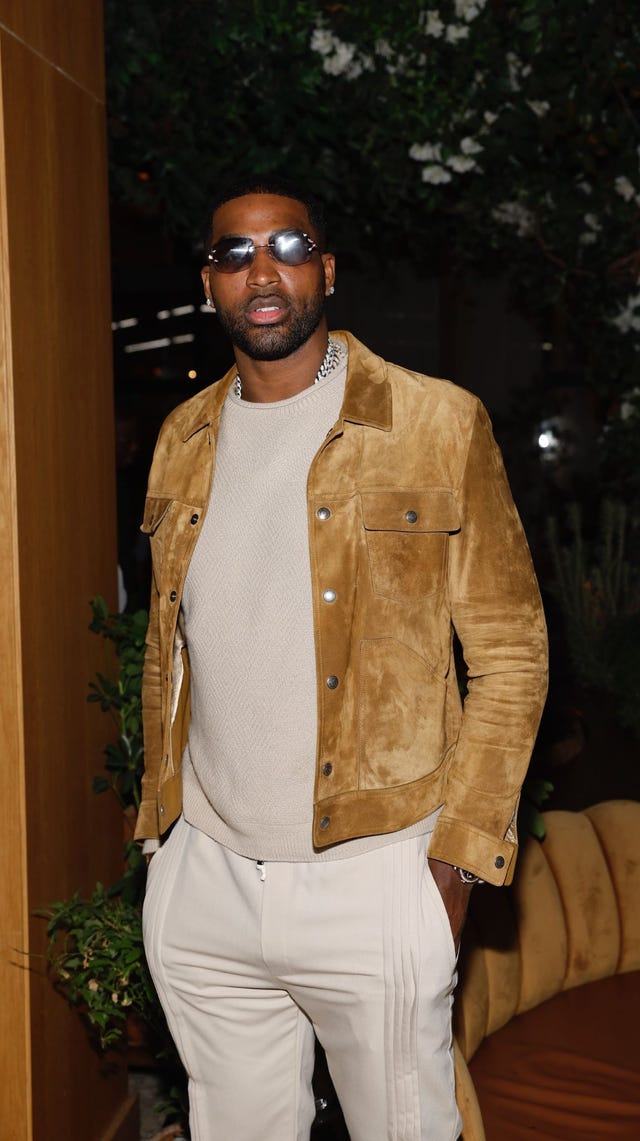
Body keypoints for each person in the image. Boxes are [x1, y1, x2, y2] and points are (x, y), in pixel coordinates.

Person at [136, 176, 548, 1141]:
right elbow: (168, 649)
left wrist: (456, 866)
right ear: (208, 284)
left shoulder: (436, 422)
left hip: (376, 875)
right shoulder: (181, 438)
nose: (261, 271)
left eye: (287, 246)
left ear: (327, 270)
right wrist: (163, 840)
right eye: (234, 254)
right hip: (208, 879)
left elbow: (511, 652)